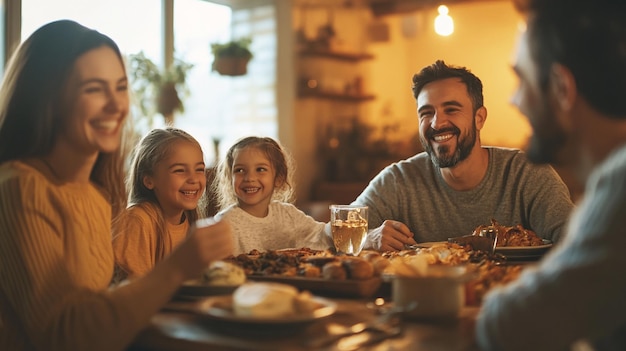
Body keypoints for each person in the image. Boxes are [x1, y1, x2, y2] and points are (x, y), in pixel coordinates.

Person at [0, 20, 233, 350]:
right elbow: (62, 334)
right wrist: (176, 269)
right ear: (47, 99)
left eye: (120, 87)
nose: (115, 105)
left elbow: (103, 313)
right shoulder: (20, 188)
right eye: (94, 89)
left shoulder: (94, 197)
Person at [476, 0, 626, 350]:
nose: (514, 100)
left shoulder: (620, 187)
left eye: (521, 79)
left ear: (562, 88)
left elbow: (512, 325)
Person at [353, 60, 575, 251]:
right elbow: (335, 231)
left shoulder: (527, 173)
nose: (437, 123)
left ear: (479, 118)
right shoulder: (399, 179)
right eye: (426, 113)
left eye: (451, 109)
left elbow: (576, 241)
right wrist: (367, 239)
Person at [112, 127, 209, 281]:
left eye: (199, 169)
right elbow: (136, 290)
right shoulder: (138, 221)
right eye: (179, 170)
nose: (194, 179)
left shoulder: (192, 222)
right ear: (149, 180)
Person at [212, 136, 333, 254]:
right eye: (240, 170)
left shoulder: (287, 214)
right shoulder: (224, 224)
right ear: (230, 178)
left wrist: (349, 212)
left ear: (278, 178)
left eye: (260, 169)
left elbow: (321, 236)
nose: (249, 178)